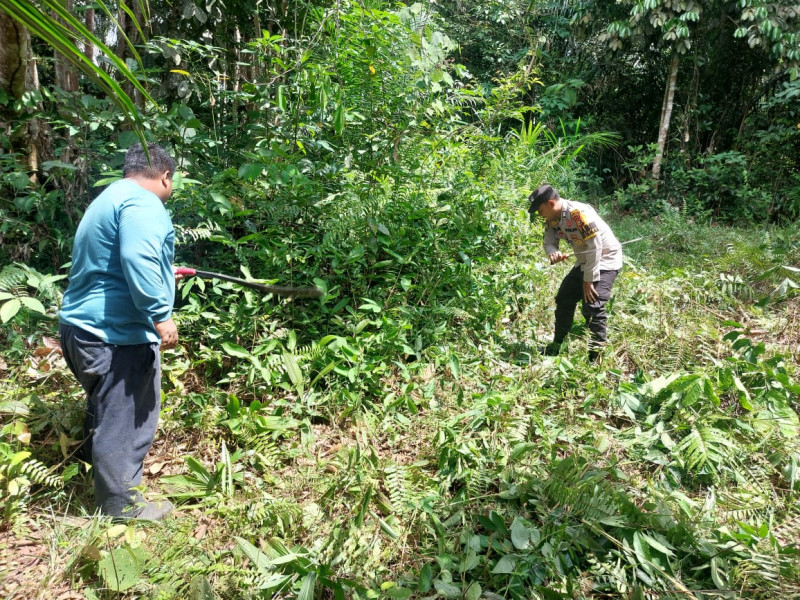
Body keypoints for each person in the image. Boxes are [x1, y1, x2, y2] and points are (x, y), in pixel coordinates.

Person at [59, 142, 178, 520]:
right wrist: (160, 313)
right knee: (127, 416)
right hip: (116, 336)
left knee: (105, 407)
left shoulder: (111, 196)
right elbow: (136, 256)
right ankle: (121, 508)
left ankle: (89, 469)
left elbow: (115, 258)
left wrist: (160, 271)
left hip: (80, 330)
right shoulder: (146, 203)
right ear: (164, 176)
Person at [529, 184, 622, 361]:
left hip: (605, 259)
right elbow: (548, 242)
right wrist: (553, 253)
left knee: (592, 305)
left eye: (540, 210)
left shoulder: (578, 213)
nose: (540, 215)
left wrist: (588, 281)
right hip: (584, 261)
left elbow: (595, 247)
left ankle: (596, 358)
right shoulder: (552, 218)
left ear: (550, 203)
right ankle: (557, 346)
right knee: (564, 298)